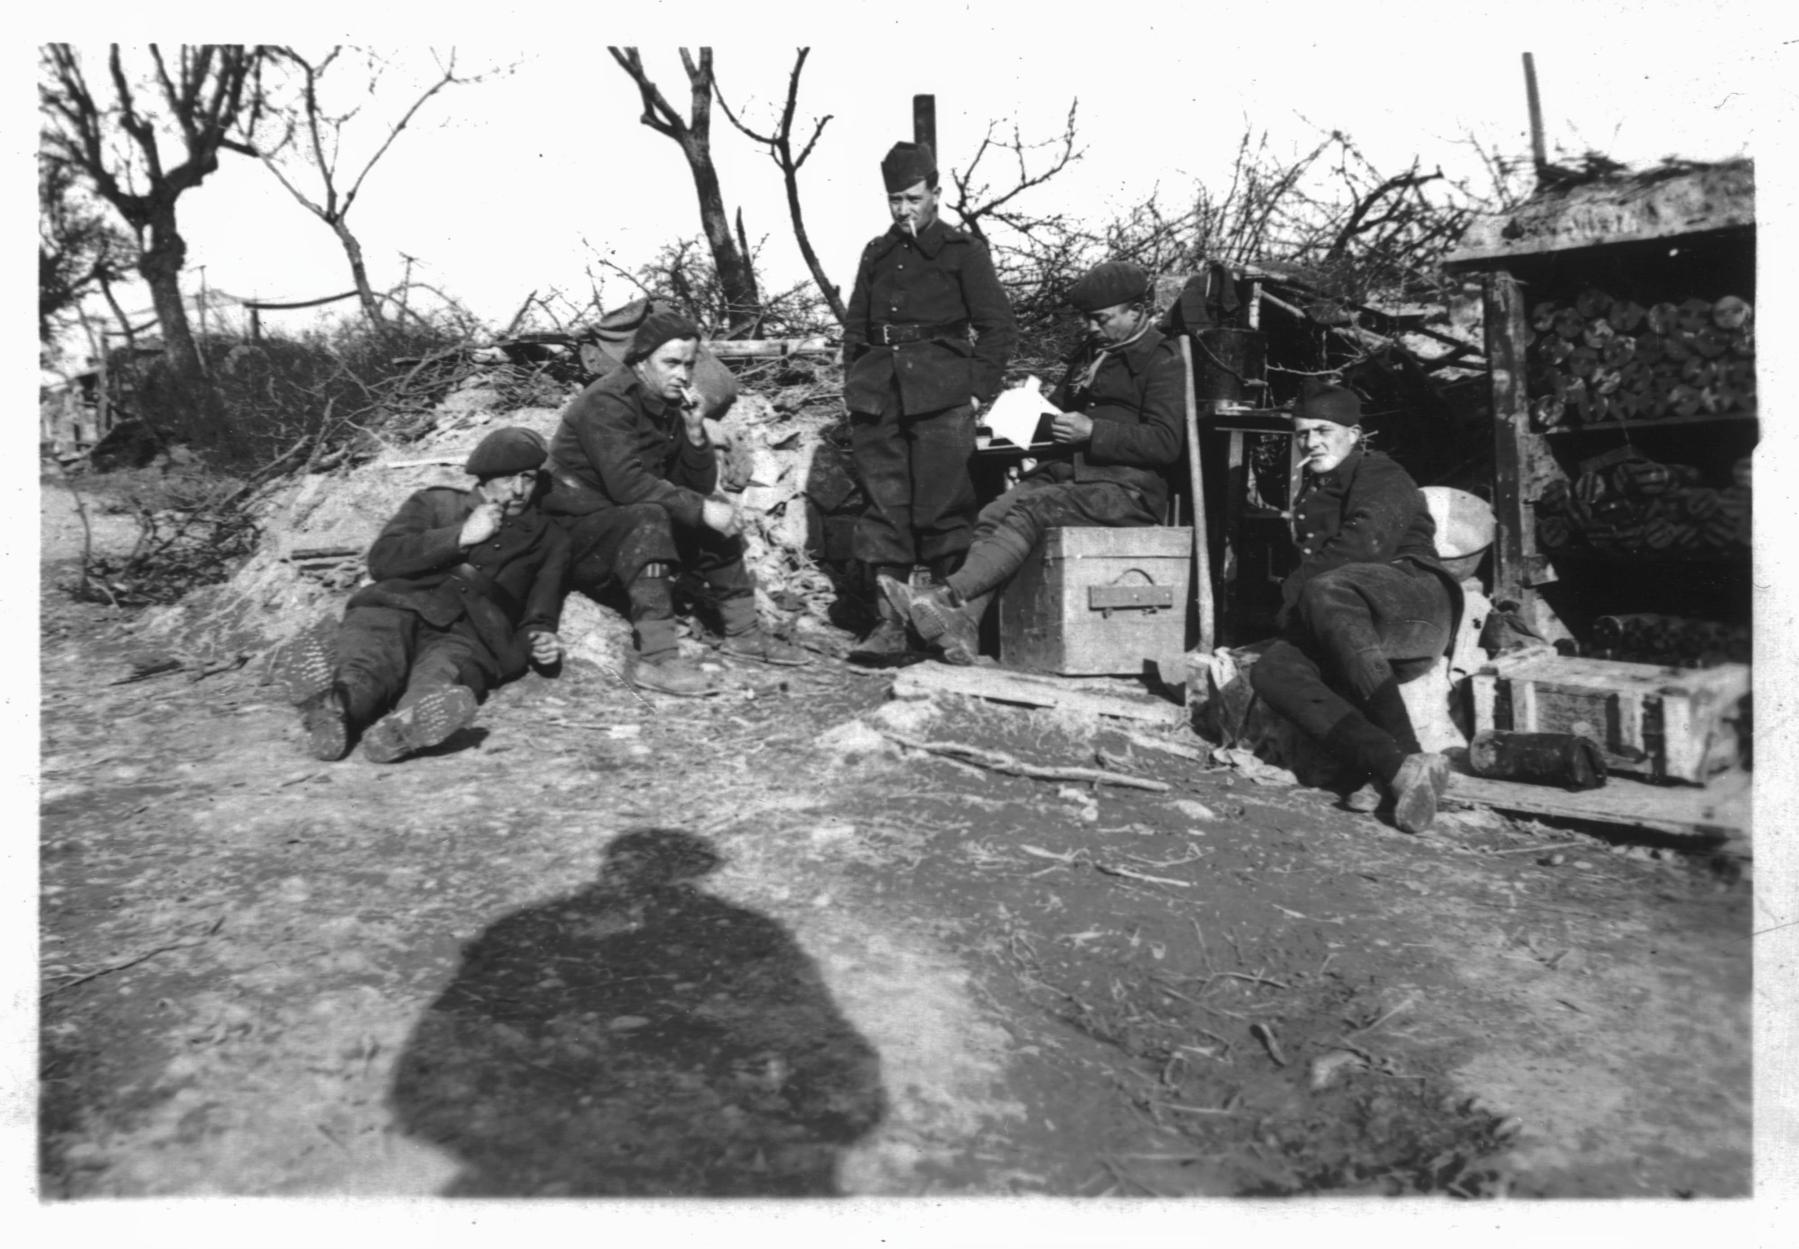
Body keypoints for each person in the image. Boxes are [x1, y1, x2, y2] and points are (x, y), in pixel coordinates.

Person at [879, 260, 1185, 666]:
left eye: (1101, 319)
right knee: (992, 514)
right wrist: (1026, 410)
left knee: (1032, 510)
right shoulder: (1095, 355)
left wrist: (1094, 433)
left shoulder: (1163, 360)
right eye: (1088, 320)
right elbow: (1057, 411)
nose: (1092, 328)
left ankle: (944, 598)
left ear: (1136, 311)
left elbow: (1166, 443)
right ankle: (966, 627)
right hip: (1072, 477)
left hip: (1127, 490)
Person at [543, 310, 808, 697]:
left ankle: (743, 633)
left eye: (687, 364)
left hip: (618, 522)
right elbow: (628, 485)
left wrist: (696, 431)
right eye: (670, 363)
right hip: (575, 532)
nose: (682, 375)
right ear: (640, 360)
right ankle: (657, 659)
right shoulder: (607, 401)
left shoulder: (665, 402)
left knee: (706, 508)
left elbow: (692, 485)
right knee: (655, 515)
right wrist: (701, 510)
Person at [273, 426, 569, 763]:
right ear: (484, 478)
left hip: (472, 632)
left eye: (528, 478)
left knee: (441, 679)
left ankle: (402, 732)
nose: (518, 490)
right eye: (507, 479)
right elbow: (382, 560)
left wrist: (541, 639)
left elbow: (539, 613)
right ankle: (333, 709)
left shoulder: (550, 539)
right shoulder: (435, 503)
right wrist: (460, 536)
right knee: (368, 664)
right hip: (398, 604)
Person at [1246, 384, 1463, 834]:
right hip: (1348, 615)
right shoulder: (1315, 492)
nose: (1312, 443)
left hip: (1415, 603)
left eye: (1324, 430)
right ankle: (1396, 768)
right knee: (1273, 670)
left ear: (1355, 433)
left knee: (1326, 589)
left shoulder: (1381, 474)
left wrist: (1291, 599)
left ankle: (1407, 749)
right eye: (1302, 434)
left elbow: (1365, 546)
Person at [842, 140, 1018, 661]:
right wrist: (856, 382)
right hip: (880, 397)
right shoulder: (876, 253)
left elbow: (997, 329)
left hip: (942, 397)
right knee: (884, 510)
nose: (902, 210)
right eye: (894, 200)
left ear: (936, 194)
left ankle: (949, 625)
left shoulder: (964, 253)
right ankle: (889, 625)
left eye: (912, 199)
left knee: (945, 510)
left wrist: (973, 388)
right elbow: (857, 326)